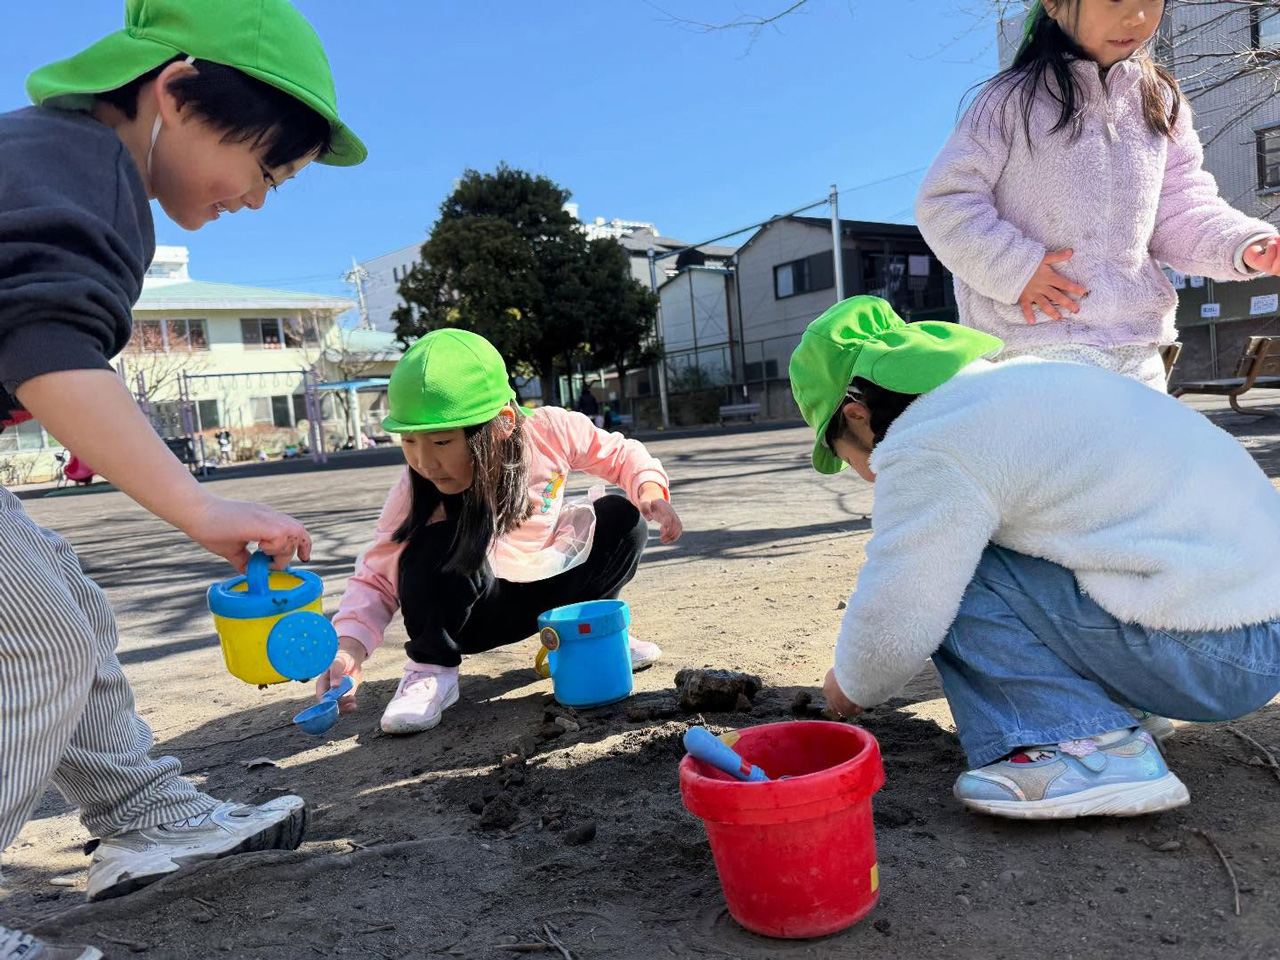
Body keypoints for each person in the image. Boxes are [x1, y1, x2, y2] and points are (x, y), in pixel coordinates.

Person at [0, 2, 364, 956]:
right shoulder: (83, 168)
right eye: (267, 168)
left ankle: (143, 814)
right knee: (39, 646)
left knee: (69, 605)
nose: (259, 199)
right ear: (176, 89)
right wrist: (197, 504)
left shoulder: (57, 161)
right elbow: (47, 345)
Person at [790, 296, 1280, 819]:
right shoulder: (1023, 383)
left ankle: (1086, 749)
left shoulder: (927, 441)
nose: (867, 475)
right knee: (1004, 540)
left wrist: (852, 683)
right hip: (1252, 628)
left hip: (1216, 656)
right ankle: (1114, 711)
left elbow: (903, 604)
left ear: (857, 416)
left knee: (952, 566)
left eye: (850, 458)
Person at [318, 330, 683, 735]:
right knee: (435, 544)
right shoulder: (415, 489)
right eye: (409, 440)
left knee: (622, 517)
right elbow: (375, 576)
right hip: (475, 616)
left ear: (503, 423)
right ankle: (431, 671)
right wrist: (349, 648)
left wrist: (650, 490)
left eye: (441, 441)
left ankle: (590, 635)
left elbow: (619, 453)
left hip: (551, 591)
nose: (425, 461)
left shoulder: (550, 431)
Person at [915, 0, 1280, 389]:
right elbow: (946, 199)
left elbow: (1179, 207)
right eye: (1113, 0)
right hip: (1035, 340)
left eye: (1150, 1)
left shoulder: (1160, 100)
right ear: (1054, 4)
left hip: (1136, 344)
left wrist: (1242, 243)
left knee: (1145, 433)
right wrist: (1015, 268)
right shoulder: (1009, 99)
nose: (1136, 17)